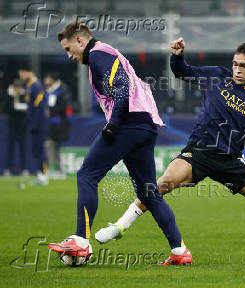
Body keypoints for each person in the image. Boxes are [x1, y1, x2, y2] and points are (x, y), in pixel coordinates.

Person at [95, 38, 245, 258]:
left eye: (243, 65)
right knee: (163, 183)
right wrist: (177, 56)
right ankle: (120, 226)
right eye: (235, 64)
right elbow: (182, 71)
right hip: (199, 152)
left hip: (230, 160)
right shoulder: (216, 76)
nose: (237, 69)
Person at [48, 22, 192, 266]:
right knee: (149, 192)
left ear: (80, 41)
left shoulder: (97, 54)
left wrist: (113, 125)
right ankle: (180, 251)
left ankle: (81, 241)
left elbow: (122, 87)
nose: (69, 55)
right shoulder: (106, 53)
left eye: (68, 48)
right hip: (146, 125)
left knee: (86, 175)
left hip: (129, 124)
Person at [18, 66, 49, 185]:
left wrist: (35, 124)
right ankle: (40, 174)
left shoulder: (37, 86)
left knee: (40, 149)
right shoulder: (29, 86)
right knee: (35, 149)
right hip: (33, 124)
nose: (21, 76)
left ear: (29, 72)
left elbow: (39, 107)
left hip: (39, 124)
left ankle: (44, 175)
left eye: (22, 73)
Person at [43, 73, 73, 175]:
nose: (45, 80)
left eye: (47, 78)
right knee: (50, 145)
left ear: (53, 79)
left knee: (56, 146)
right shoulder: (48, 91)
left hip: (59, 123)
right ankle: (53, 169)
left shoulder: (62, 90)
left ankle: (59, 170)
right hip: (50, 123)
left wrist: (53, 111)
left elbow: (66, 107)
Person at [4, 79, 28, 176]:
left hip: (22, 126)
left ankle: (25, 169)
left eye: (19, 87)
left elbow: (27, 109)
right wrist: (14, 102)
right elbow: (6, 109)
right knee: (10, 148)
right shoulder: (9, 96)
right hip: (12, 125)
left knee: (23, 148)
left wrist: (19, 106)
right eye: (16, 87)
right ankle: (7, 169)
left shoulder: (25, 95)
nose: (18, 89)